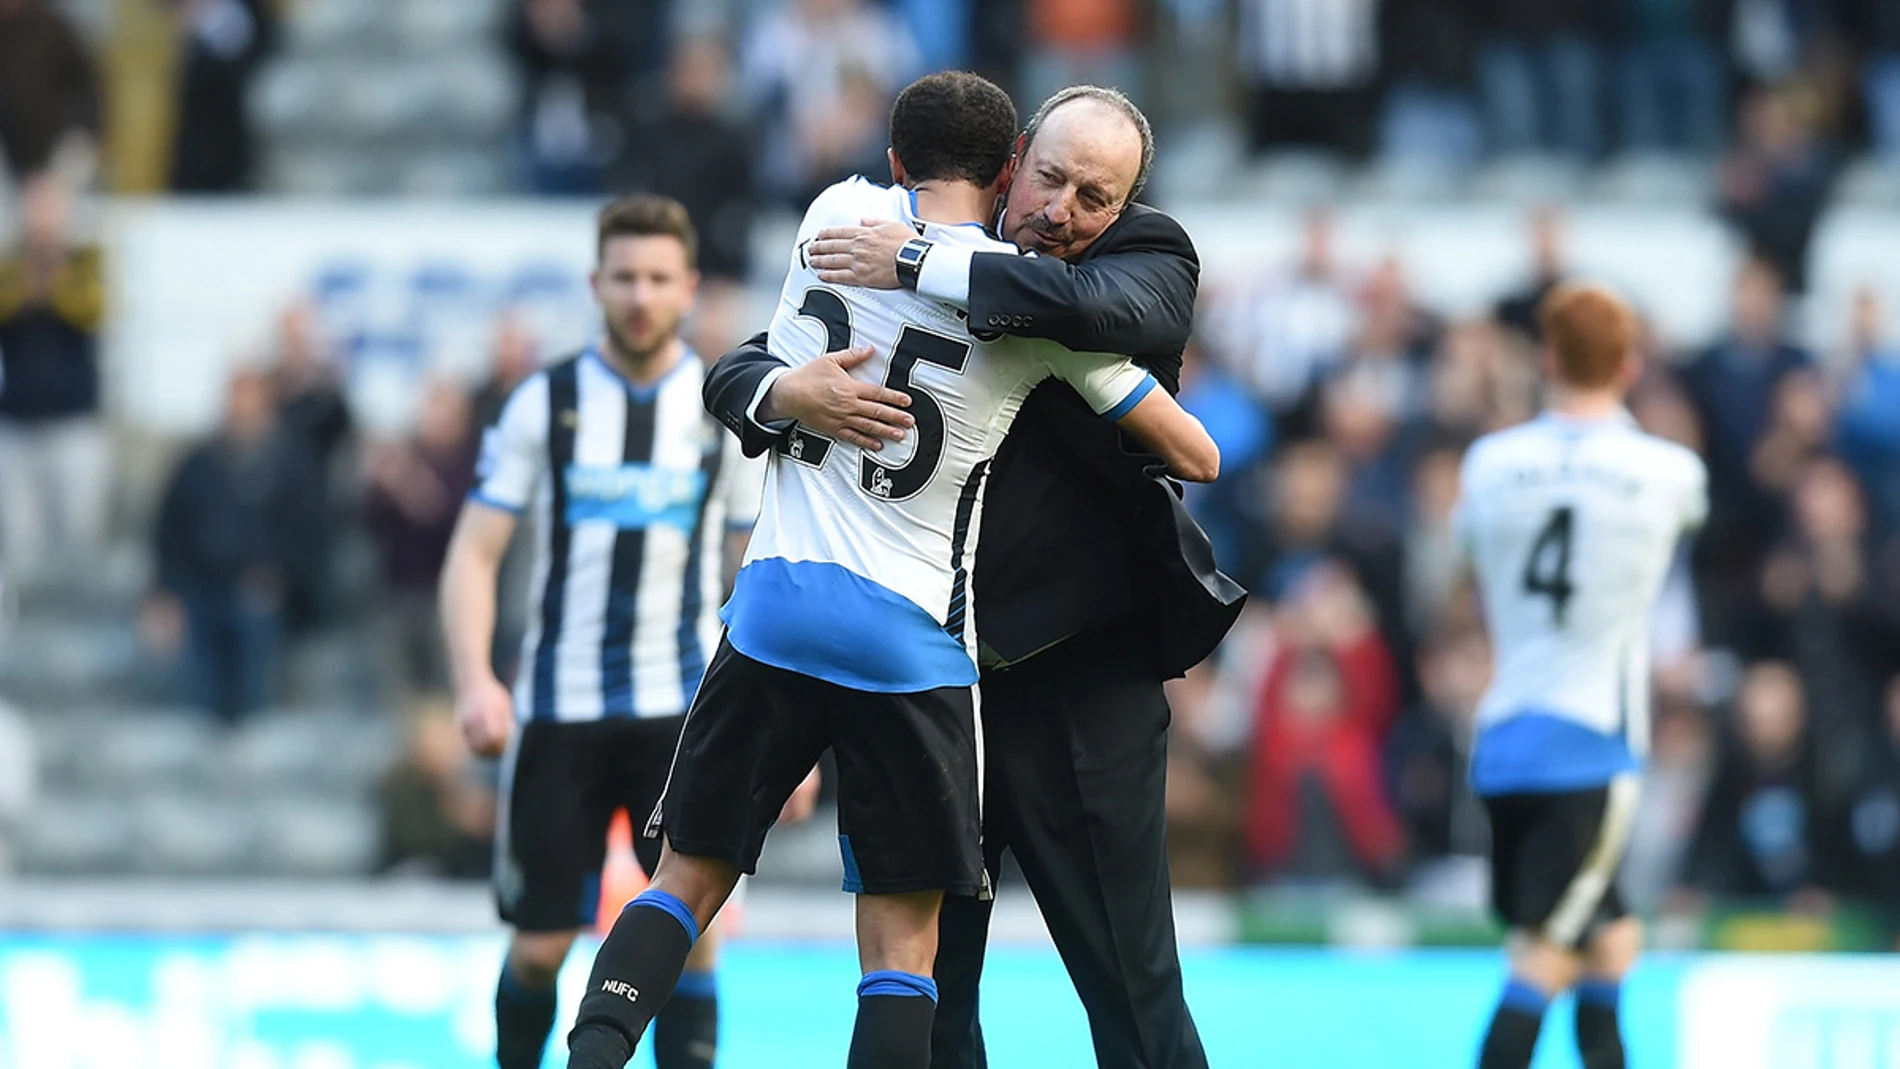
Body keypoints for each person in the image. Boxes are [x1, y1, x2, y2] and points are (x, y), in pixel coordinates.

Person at [564, 71, 1219, 1069]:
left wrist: (919, 257)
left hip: (1070, 675)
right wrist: (789, 392)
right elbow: (737, 367)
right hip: (928, 661)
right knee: (931, 983)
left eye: (1096, 197)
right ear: (1012, 165)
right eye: (1049, 180)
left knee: (1128, 984)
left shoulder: (1126, 259)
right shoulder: (902, 255)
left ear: (1129, 207)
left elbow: (1111, 310)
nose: (1063, 210)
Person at [437, 194, 771, 1069]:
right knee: (541, 942)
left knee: (692, 929)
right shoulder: (540, 404)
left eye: (659, 278)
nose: (640, 295)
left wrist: (778, 728)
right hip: (559, 709)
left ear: (689, 288)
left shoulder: (720, 410)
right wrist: (475, 677)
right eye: (624, 276)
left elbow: (757, 572)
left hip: (683, 715)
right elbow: (473, 553)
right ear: (595, 283)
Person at [1453, 283, 1707, 1069]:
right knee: (1544, 954)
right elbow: (1690, 528)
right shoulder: (1668, 471)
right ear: (1631, 366)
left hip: (1502, 740)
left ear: (1547, 358)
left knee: (1613, 937)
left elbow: (1465, 565)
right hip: (1592, 748)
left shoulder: (1489, 462)